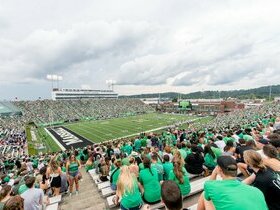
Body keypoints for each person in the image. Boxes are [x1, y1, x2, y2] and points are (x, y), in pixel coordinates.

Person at [197, 156, 268, 210]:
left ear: (219, 169)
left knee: (204, 194)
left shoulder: (210, 186)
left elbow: (209, 188)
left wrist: (214, 173)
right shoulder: (257, 191)